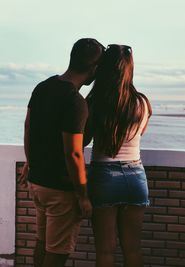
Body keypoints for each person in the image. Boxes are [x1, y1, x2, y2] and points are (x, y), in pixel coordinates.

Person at [18, 38, 104, 267]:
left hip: (38, 183)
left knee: (42, 244)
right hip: (60, 190)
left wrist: (30, 162)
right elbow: (74, 153)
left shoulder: (43, 86)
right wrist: (83, 195)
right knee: (57, 254)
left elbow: (28, 127)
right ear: (93, 69)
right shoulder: (75, 102)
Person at [84, 44, 152, 267]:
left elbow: (83, 140)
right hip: (135, 176)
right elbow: (139, 133)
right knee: (133, 248)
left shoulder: (94, 102)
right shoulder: (142, 103)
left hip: (103, 177)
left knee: (105, 251)